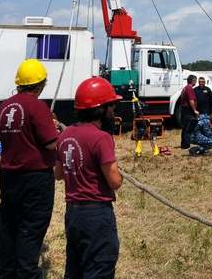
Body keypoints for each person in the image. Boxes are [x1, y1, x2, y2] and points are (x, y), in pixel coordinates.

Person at [0, 58, 59, 279]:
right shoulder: (37, 107)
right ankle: (28, 273)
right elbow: (51, 142)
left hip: (9, 175)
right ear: (41, 84)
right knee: (30, 228)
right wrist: (56, 128)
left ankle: (7, 272)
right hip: (35, 177)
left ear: (19, 83)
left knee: (10, 224)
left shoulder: (5, 106)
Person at [55, 77, 123, 278]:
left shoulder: (65, 134)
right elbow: (115, 182)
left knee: (75, 270)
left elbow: (58, 174)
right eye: (111, 104)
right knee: (98, 270)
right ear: (100, 109)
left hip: (73, 215)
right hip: (96, 216)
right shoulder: (101, 138)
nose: (114, 108)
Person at [180, 75, 199, 149]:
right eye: (195, 80)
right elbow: (191, 100)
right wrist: (194, 110)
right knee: (188, 127)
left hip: (185, 109)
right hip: (188, 110)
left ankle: (185, 143)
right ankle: (185, 144)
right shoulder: (189, 89)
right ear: (193, 81)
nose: (196, 82)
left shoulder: (185, 88)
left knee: (186, 127)